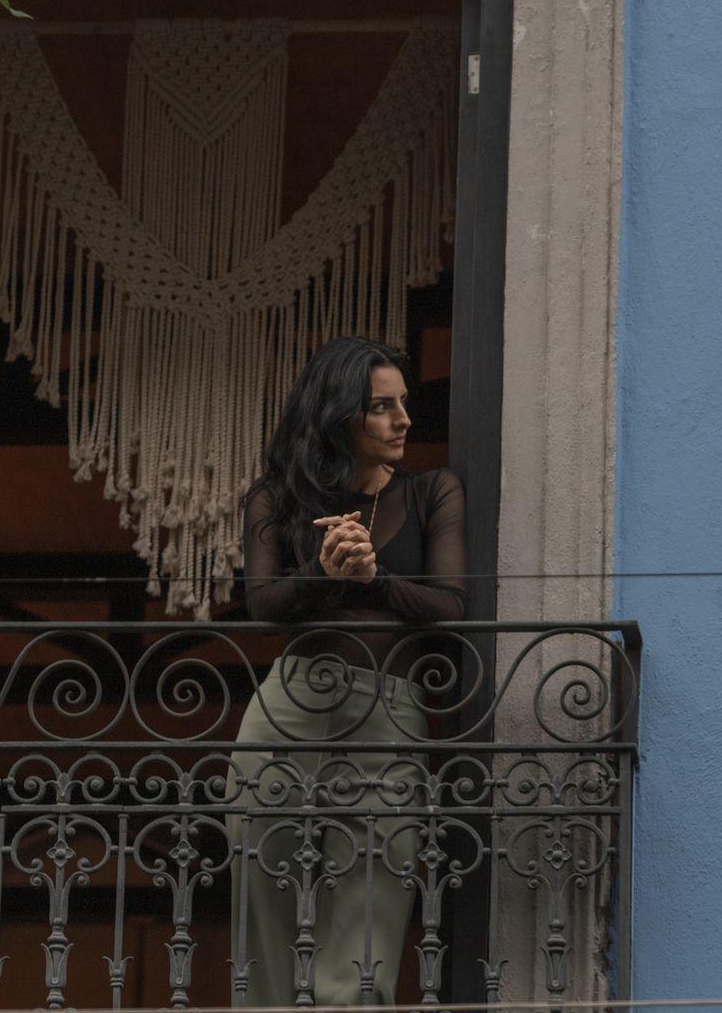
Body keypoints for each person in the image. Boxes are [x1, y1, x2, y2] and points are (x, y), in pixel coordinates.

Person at [230, 336, 466, 1008]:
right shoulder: (275, 498)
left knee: (370, 924)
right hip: (287, 710)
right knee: (260, 892)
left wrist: (374, 577)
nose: (403, 420)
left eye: (403, 403)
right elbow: (263, 606)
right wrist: (322, 571)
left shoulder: (433, 492)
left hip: (390, 716)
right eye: (382, 407)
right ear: (339, 414)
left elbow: (452, 608)